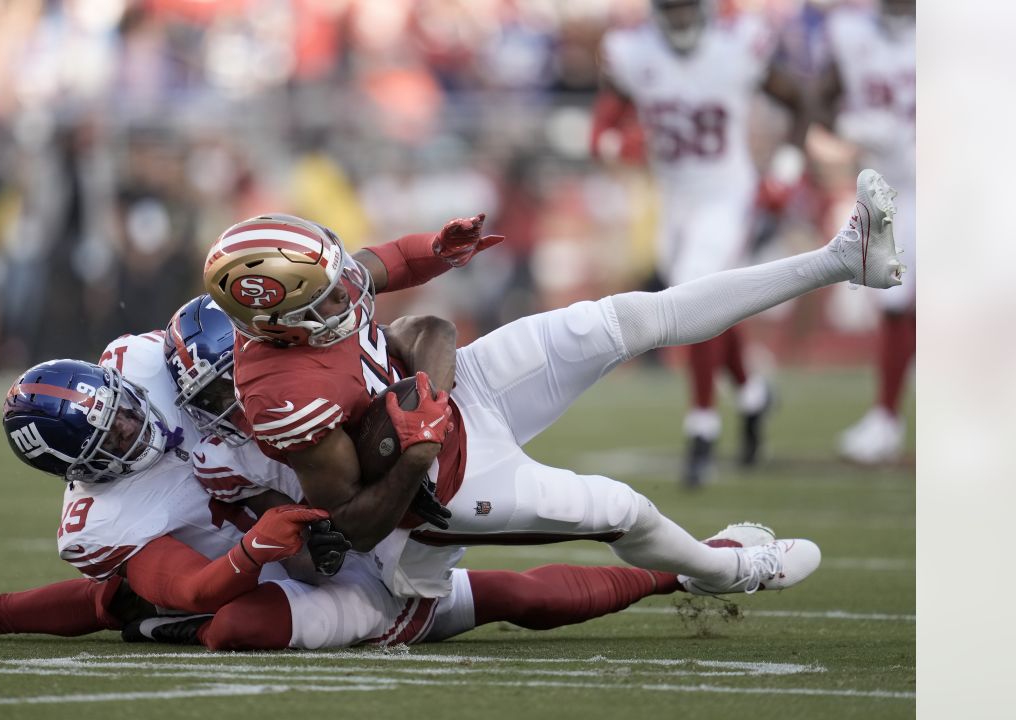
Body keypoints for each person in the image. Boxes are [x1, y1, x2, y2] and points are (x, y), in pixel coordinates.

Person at [0, 296, 721, 650]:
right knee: (172, 610)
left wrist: (417, 257)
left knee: (496, 543)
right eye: (104, 439)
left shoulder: (159, 363)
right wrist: (257, 545)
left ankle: (679, 562)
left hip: (345, 497)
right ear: (77, 473)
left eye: (118, 408)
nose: (129, 429)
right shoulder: (105, 516)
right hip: (306, 561)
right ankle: (672, 566)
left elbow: (328, 291)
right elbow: (168, 579)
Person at [202, 169, 905, 603]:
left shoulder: (323, 295)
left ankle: (844, 257)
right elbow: (351, 520)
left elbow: (377, 268)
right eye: (324, 301)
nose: (348, 296)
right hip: (441, 483)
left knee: (629, 315)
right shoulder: (282, 394)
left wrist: (432, 252)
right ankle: (730, 572)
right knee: (623, 510)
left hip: (455, 396)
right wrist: (416, 455)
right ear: (277, 320)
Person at [593, 0, 812, 485]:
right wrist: (617, 144)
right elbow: (602, 130)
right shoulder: (632, 51)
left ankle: (702, 427)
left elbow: (799, 99)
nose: (680, 19)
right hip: (673, 203)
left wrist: (786, 171)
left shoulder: (737, 45)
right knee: (705, 306)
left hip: (727, 195)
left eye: (686, 8)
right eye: (671, 9)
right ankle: (753, 397)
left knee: (692, 300)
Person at [815, 0, 916, 465]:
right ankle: (886, 418)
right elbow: (821, 98)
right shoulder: (850, 31)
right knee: (896, 300)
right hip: (897, 189)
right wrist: (846, 124)